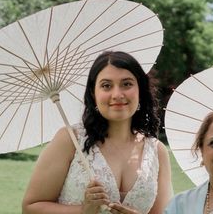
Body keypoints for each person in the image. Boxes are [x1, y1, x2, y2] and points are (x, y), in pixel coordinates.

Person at [23, 51, 173, 214]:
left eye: (127, 84)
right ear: (94, 94)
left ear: (140, 91)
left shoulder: (157, 152)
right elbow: (31, 207)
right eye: (106, 86)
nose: (117, 94)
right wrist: (83, 210)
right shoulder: (70, 140)